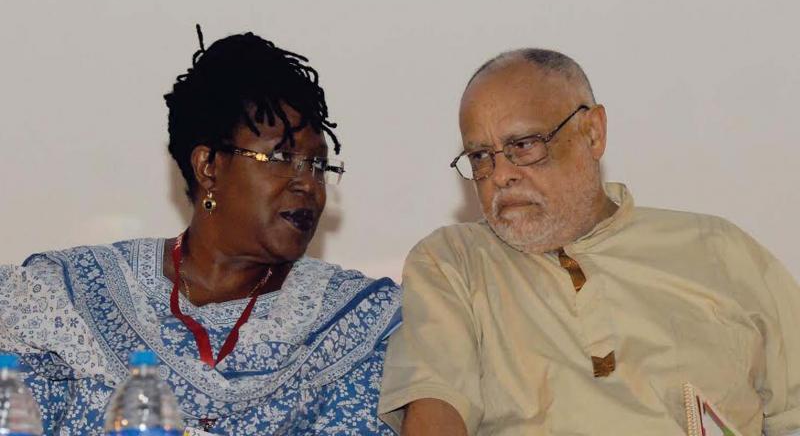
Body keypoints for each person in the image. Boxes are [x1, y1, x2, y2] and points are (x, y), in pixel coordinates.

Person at [0, 27, 400, 435]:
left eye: (317, 165)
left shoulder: (354, 325)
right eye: (281, 156)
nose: (308, 184)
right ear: (208, 165)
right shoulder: (70, 298)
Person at [378, 49, 800, 435]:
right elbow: (437, 410)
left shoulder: (718, 250)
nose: (501, 174)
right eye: (480, 157)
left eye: (524, 146)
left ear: (593, 133)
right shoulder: (455, 262)